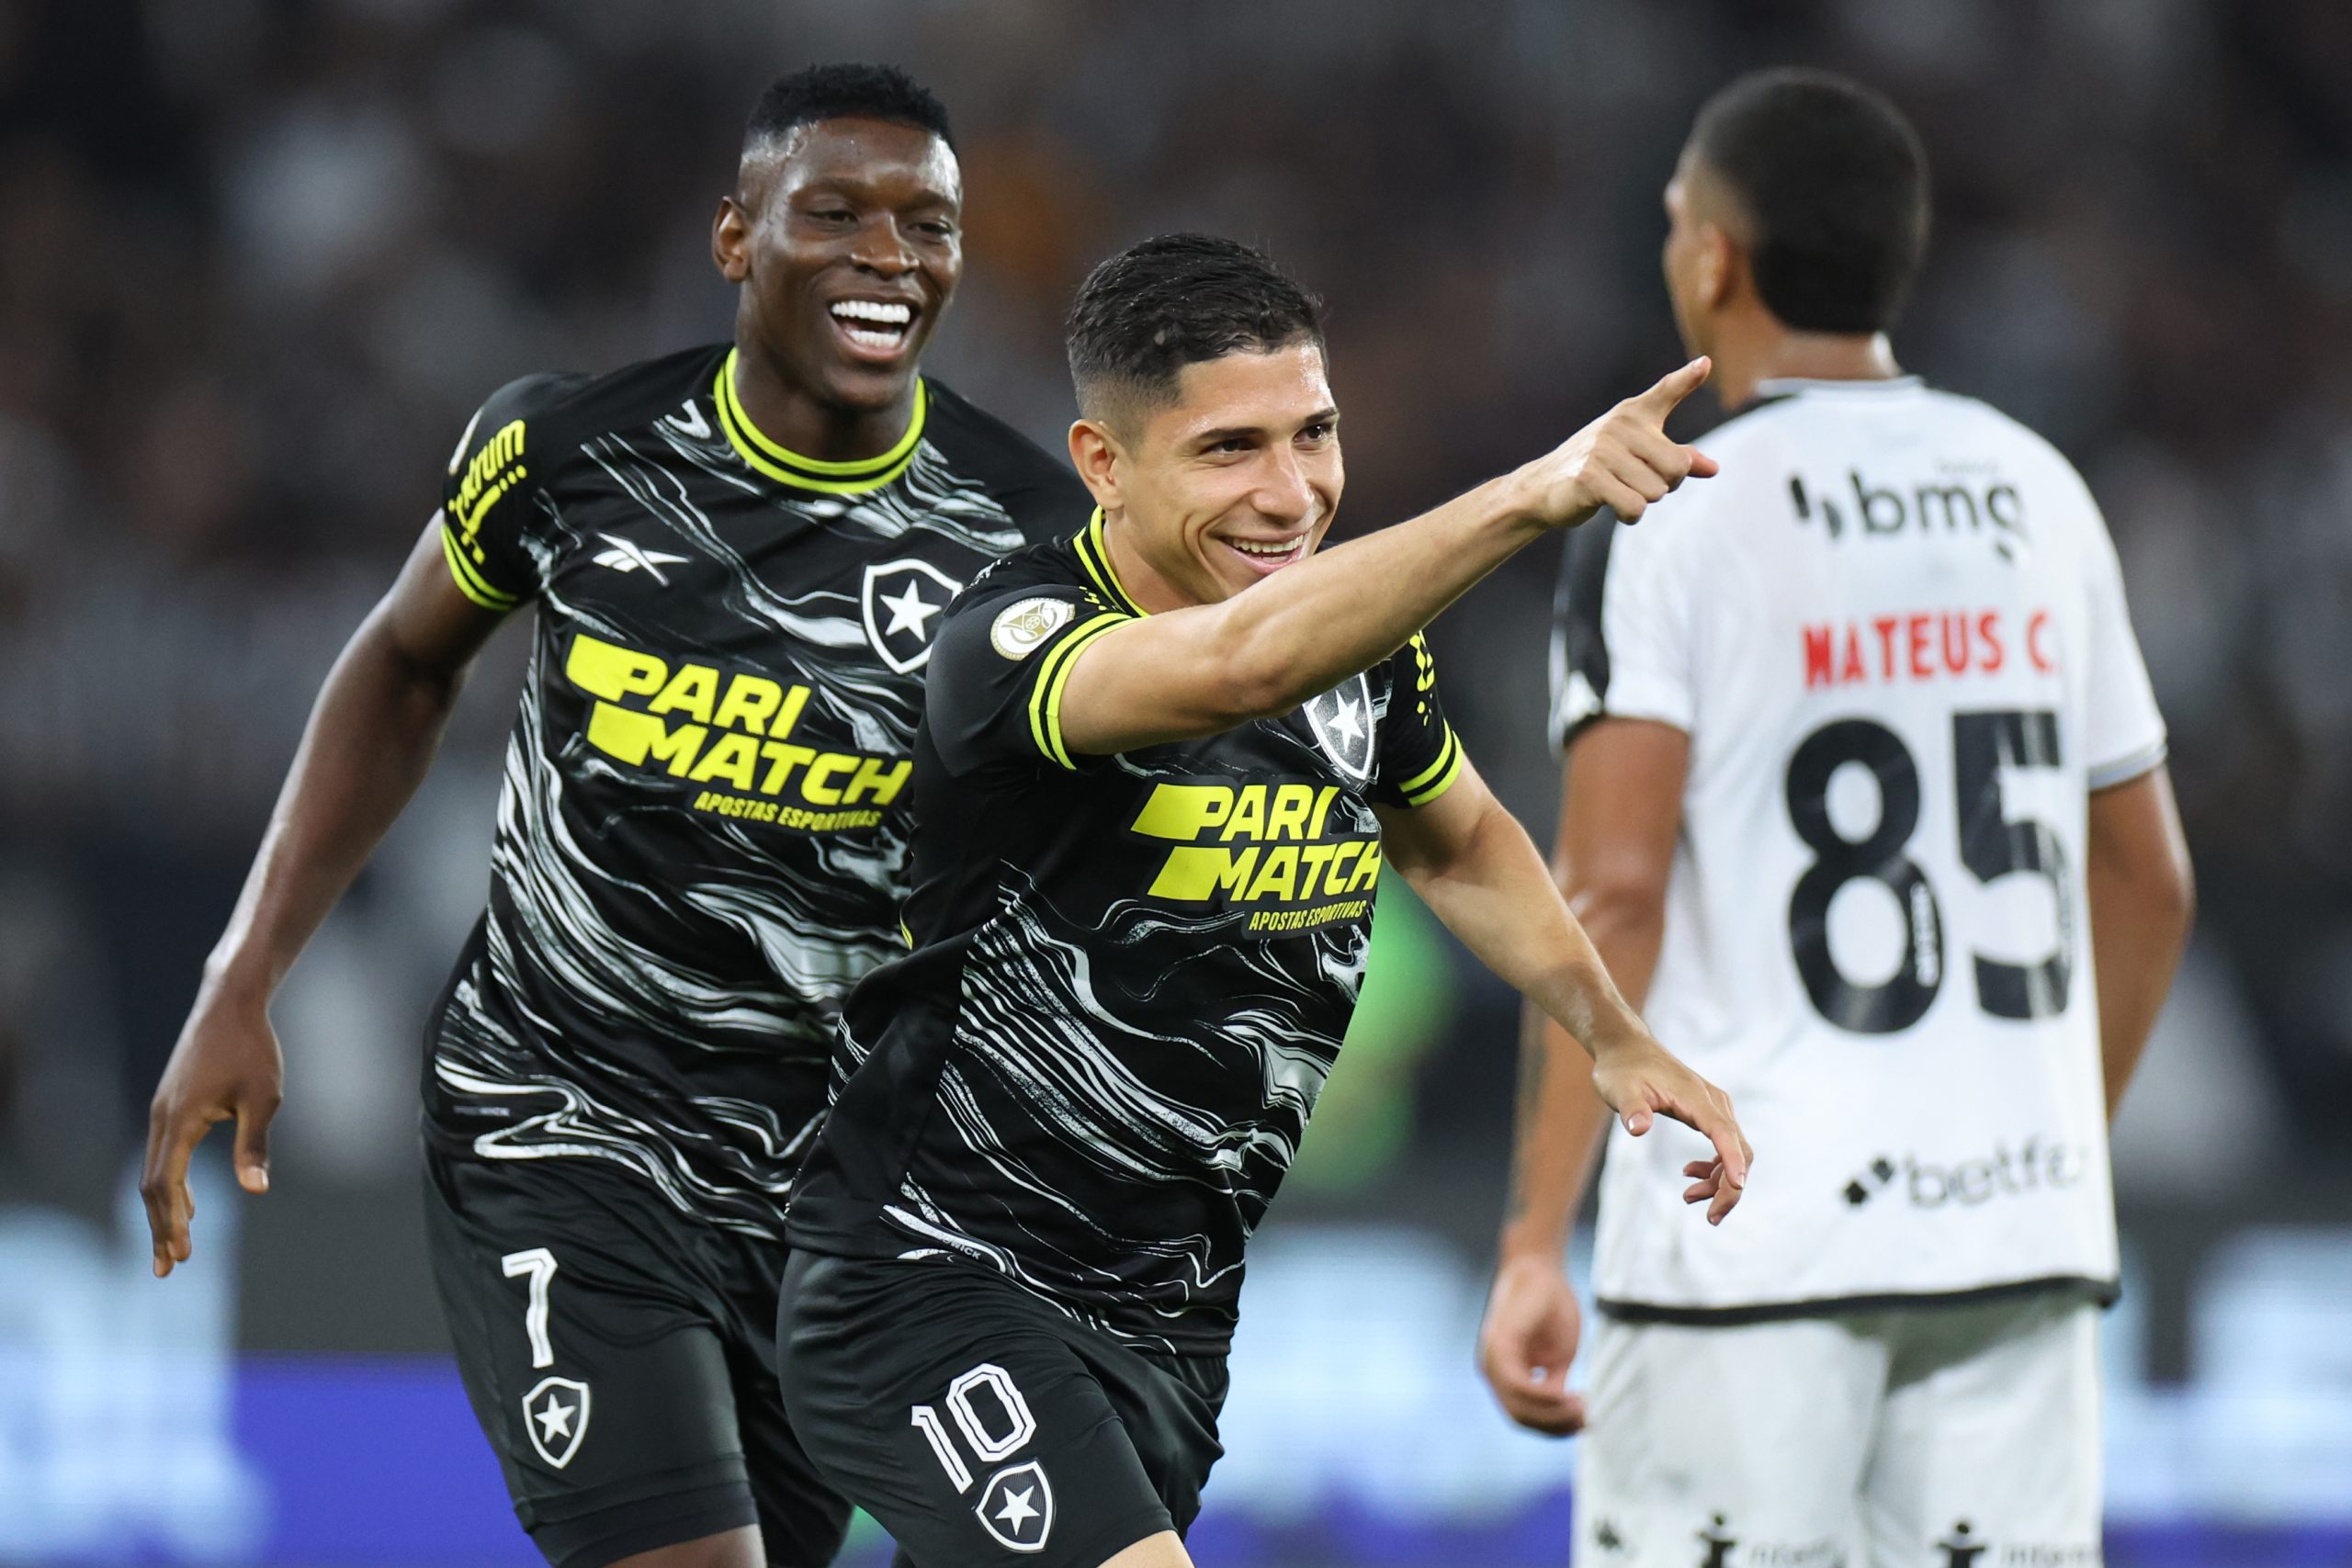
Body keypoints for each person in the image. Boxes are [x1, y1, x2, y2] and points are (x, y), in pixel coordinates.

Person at [140, 63, 1092, 1568]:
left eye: (927, 224)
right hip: (562, 1121)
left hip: (829, 1189)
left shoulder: (1034, 536)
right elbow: (401, 662)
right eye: (833, 212)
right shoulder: (570, 455)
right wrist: (242, 972)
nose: (886, 257)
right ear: (736, 238)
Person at [775, 231, 1753, 1568]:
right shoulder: (1015, 647)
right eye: (1232, 449)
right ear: (1104, 463)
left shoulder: (1361, 652)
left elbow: (1456, 843)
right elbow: (1237, 668)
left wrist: (1609, 1026)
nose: (1293, 494)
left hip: (1167, 1315)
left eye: (1317, 434)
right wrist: (1533, 493)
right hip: (936, 1275)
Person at [1478, 69, 2195, 1568]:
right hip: (2015, 1235)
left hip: (1750, 1251)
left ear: (1713, 260)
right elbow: (2151, 880)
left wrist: (1538, 1235)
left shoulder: (1667, 508)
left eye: (1682, 212)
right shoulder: (2036, 490)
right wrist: (2057, 1136)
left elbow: (1612, 895)